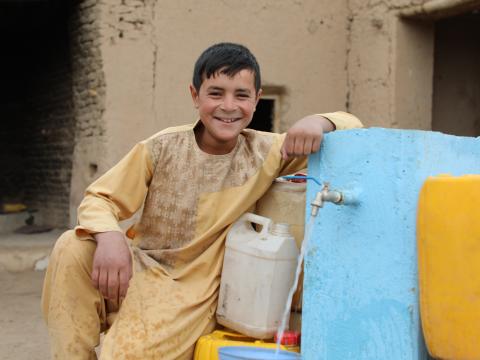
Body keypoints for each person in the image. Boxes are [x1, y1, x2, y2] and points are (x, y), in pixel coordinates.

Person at [41, 42, 362, 360]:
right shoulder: (162, 147)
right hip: (140, 268)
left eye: (241, 95)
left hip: (190, 289)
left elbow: (353, 125)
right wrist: (109, 235)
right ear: (195, 96)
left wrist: (318, 122)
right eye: (215, 93)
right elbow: (100, 197)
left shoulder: (267, 153)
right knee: (73, 246)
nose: (228, 106)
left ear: (256, 100)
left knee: (127, 354)